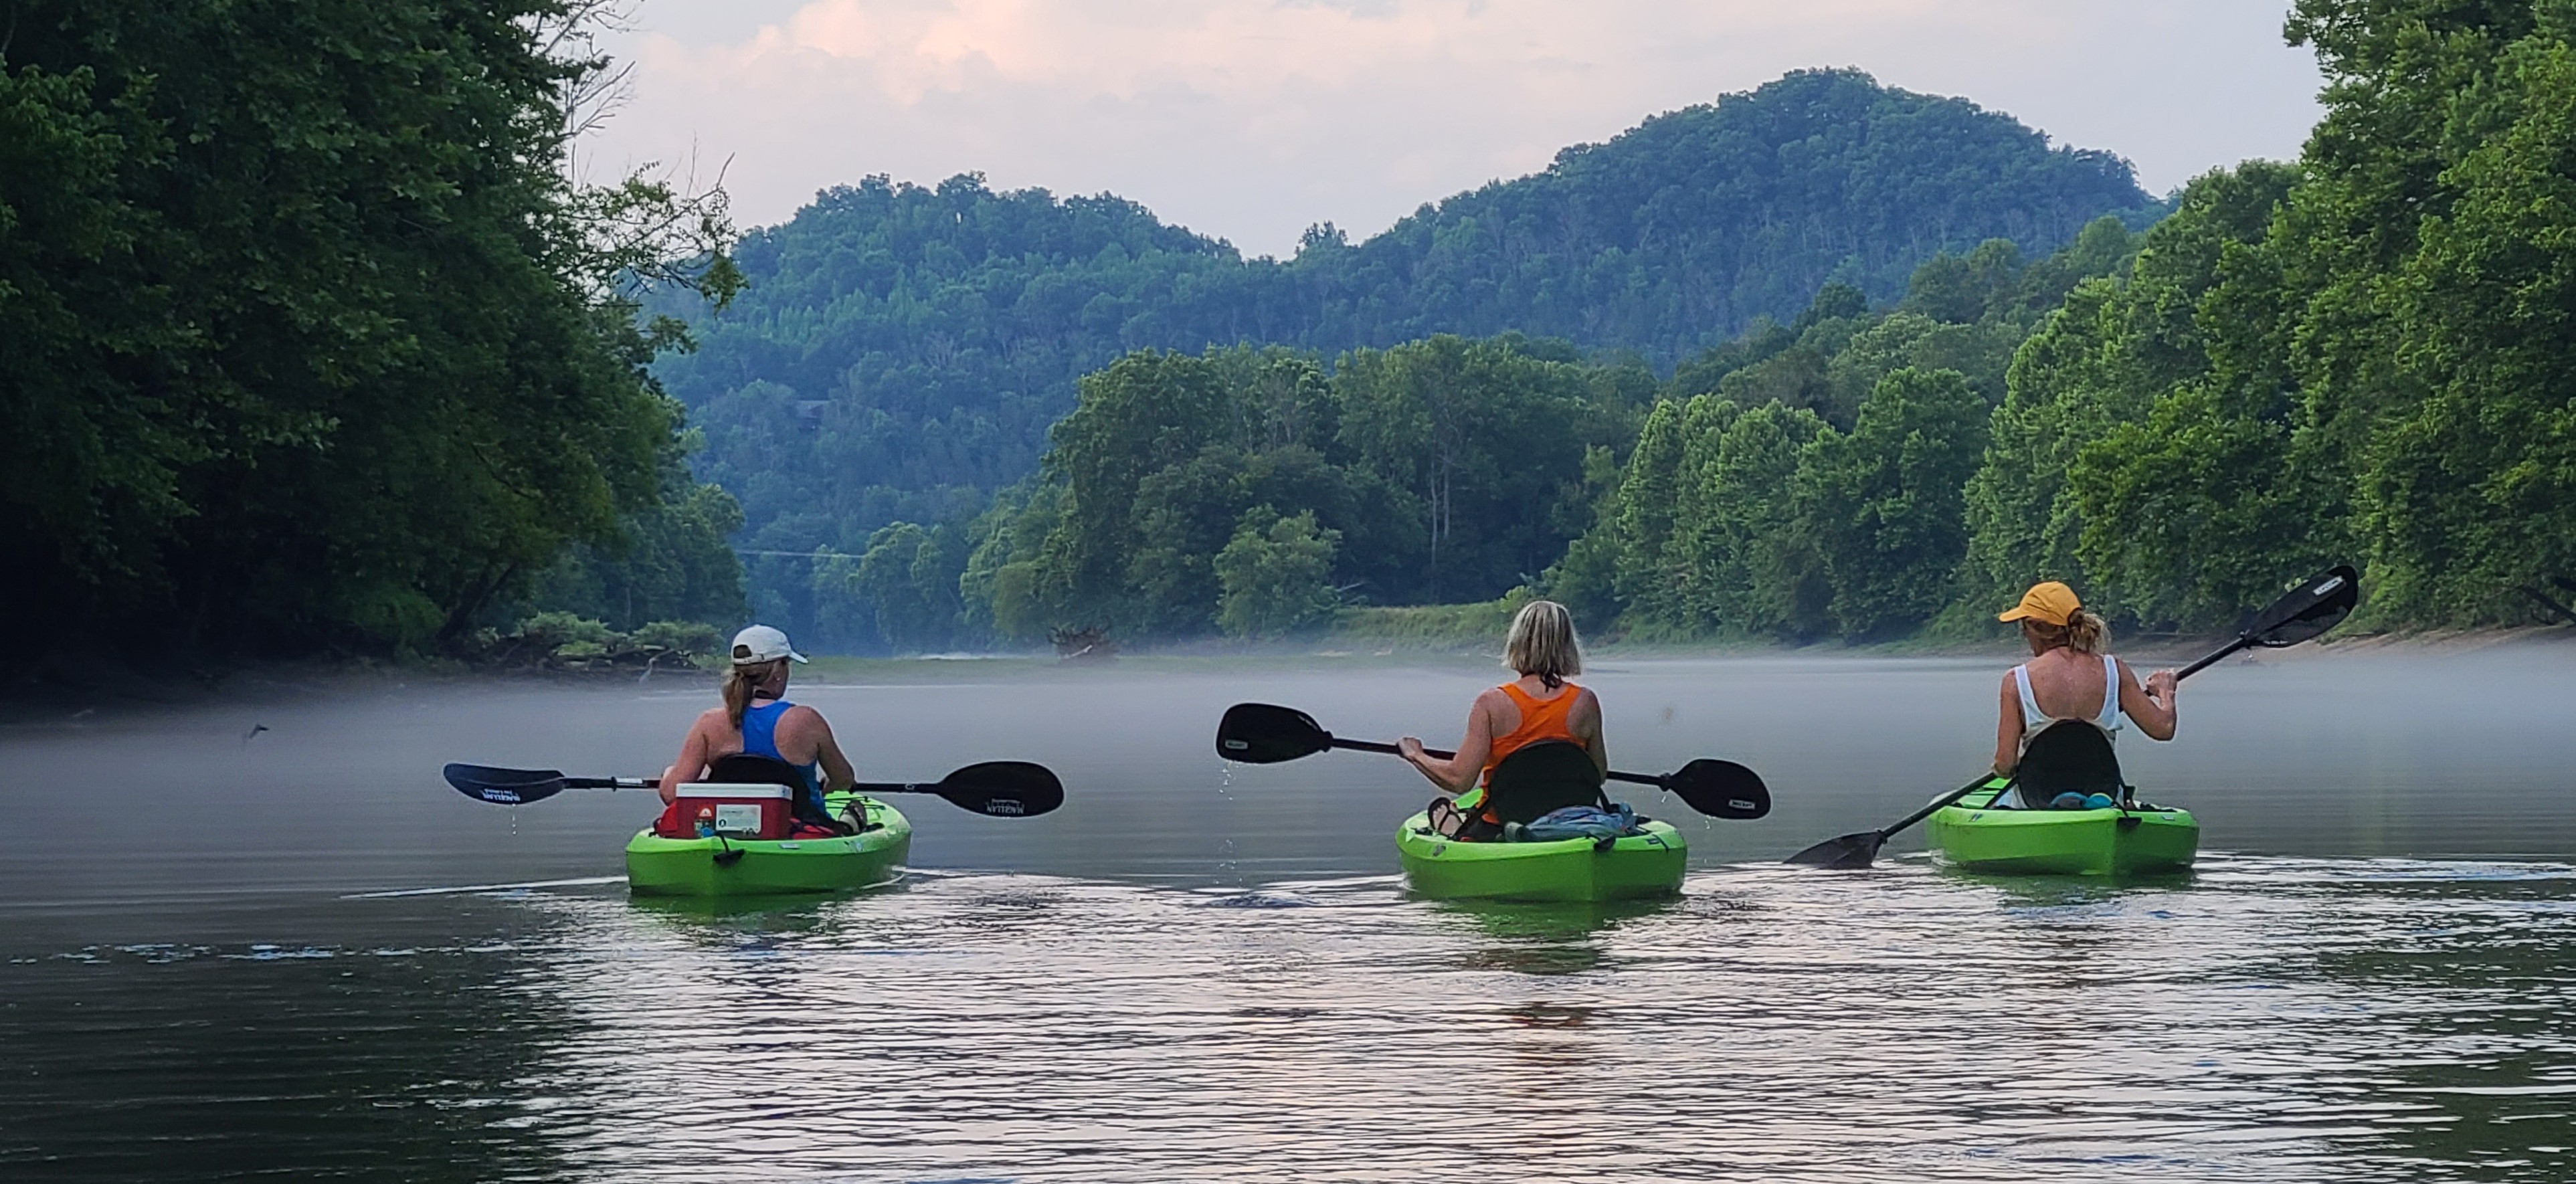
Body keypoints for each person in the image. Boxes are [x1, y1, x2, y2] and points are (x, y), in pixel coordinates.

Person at [1397, 600, 1606, 839]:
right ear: (1568, 646)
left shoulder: (1492, 703)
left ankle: (1451, 823)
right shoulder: (1585, 702)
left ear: (1517, 642)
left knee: (1448, 812)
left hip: (1500, 828)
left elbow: (1459, 780)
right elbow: (1597, 775)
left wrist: (1415, 755)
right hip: (1569, 826)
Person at [1991, 581, 2178, 807]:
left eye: (2024, 629)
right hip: (2103, 792)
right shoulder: (2114, 670)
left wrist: (2007, 766)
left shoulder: (2015, 681)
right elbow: (2163, 729)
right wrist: (2166, 692)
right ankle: (2098, 806)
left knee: (2005, 796)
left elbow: (2005, 764)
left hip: (2038, 801)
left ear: (2035, 629)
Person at [664, 625, 858, 832]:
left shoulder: (708, 723)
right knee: (857, 811)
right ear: (778, 671)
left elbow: (671, 794)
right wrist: (825, 789)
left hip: (726, 832)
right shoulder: (806, 720)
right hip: (799, 831)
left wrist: (669, 774)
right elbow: (844, 779)